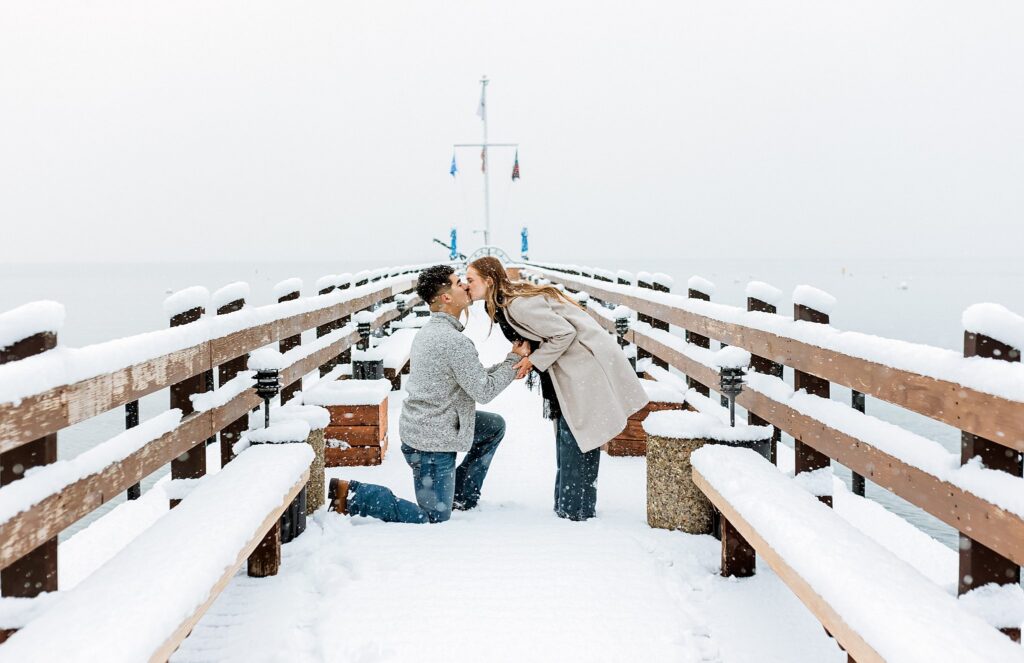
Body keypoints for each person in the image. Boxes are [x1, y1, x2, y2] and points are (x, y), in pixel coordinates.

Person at [328, 264, 530, 523]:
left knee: (493, 427)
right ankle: (352, 494)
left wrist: (508, 365)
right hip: (430, 443)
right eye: (459, 283)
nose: (466, 286)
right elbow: (484, 389)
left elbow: (473, 378)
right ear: (446, 297)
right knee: (433, 516)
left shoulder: (436, 332)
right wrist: (514, 360)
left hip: (437, 424)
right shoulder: (451, 341)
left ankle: (460, 494)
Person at [465, 257, 649, 521]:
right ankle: (571, 506)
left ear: (489, 281)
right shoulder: (506, 302)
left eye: (470, 279)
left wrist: (533, 360)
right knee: (573, 434)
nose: (466, 285)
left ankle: (575, 510)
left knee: (576, 434)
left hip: (582, 368)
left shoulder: (517, 304)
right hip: (569, 370)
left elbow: (563, 332)